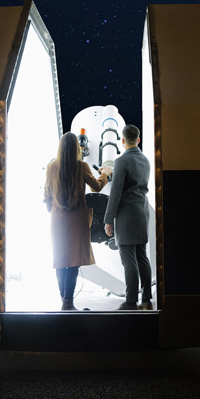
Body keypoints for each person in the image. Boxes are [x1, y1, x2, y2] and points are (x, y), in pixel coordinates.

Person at [44, 132, 112, 311]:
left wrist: (54, 211)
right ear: (76, 148)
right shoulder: (81, 166)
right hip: (77, 219)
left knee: (61, 260)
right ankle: (68, 303)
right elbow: (96, 187)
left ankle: (64, 300)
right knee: (73, 260)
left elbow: (46, 196)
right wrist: (105, 174)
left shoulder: (52, 168)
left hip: (58, 219)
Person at [103, 124, 153, 311]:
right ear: (138, 140)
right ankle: (146, 298)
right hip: (142, 212)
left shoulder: (121, 161)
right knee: (142, 256)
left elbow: (116, 192)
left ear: (122, 141)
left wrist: (108, 219)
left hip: (126, 215)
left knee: (128, 260)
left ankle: (131, 301)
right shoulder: (146, 160)